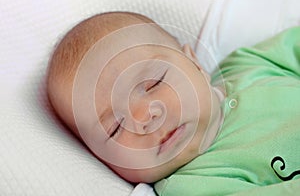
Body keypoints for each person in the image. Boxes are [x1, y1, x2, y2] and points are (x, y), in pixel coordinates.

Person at [47, 11, 300, 195]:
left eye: (154, 82)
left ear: (195, 63)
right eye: (116, 128)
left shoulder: (248, 67)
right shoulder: (191, 185)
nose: (146, 117)